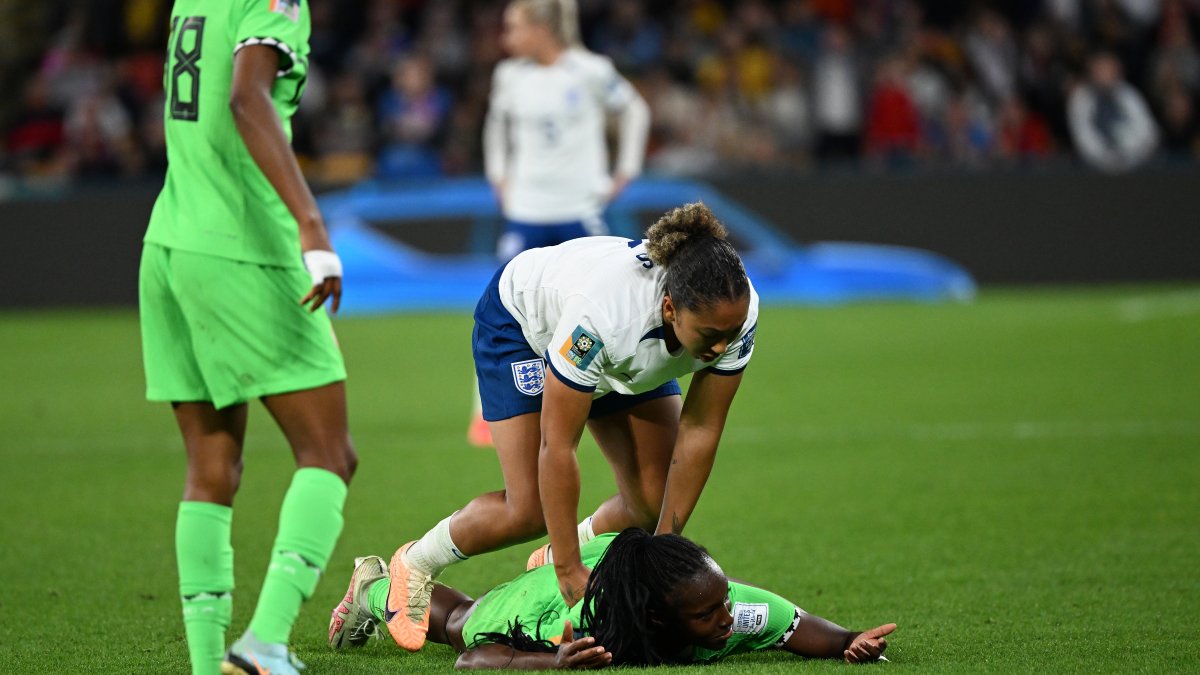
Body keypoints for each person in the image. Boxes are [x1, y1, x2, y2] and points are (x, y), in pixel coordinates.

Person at [338, 202, 758, 653]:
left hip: (625, 356)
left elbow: (701, 430)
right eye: (710, 335)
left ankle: (557, 548)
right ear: (671, 308)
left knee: (651, 501)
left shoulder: (735, 314)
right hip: (524, 327)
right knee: (530, 509)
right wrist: (570, 571)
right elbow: (558, 446)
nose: (721, 346)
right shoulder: (603, 317)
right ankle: (414, 563)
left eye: (729, 334)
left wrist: (664, 556)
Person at [138, 2, 355, 673]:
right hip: (243, 245)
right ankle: (263, 643)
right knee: (328, 452)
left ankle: (210, 666)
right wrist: (311, 223)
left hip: (168, 243)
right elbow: (245, 97)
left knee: (210, 466)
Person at [470, 0, 651, 446]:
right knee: (501, 311)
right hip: (526, 209)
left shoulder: (590, 70)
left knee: (602, 302)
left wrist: (625, 170)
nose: (505, 38)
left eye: (513, 28)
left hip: (579, 208)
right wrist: (497, 174)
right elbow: (496, 125)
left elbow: (636, 111)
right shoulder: (509, 76)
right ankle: (486, 414)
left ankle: (604, 398)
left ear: (541, 29)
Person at [329, 528, 895, 668]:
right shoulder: (589, 632)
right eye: (707, 613)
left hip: (616, 561)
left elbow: (794, 626)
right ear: (657, 617)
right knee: (460, 622)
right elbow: (471, 661)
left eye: (723, 602)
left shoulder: (732, 609)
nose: (727, 620)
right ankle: (373, 585)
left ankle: (567, 549)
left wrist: (849, 641)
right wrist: (549, 662)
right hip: (563, 593)